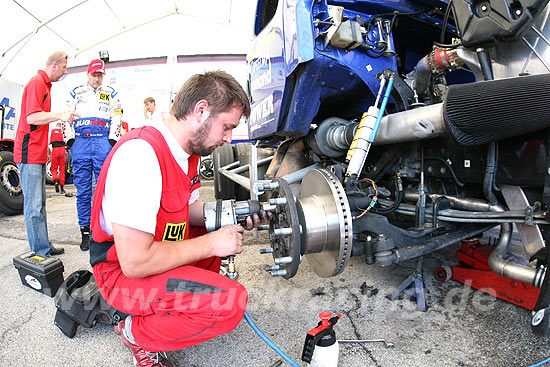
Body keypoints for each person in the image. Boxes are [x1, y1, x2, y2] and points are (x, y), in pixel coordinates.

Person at [90, 71, 262, 367]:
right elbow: (134, 262)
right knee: (229, 302)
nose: (229, 137)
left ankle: (163, 311)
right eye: (227, 126)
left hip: (151, 251)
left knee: (209, 234)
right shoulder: (140, 155)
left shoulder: (188, 153)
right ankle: (135, 333)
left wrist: (233, 212)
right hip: (120, 273)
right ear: (201, 110)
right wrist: (211, 244)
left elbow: (187, 212)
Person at [14, 50, 76, 257]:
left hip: (37, 151)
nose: (65, 72)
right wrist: (60, 115)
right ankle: (39, 252)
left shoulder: (46, 86)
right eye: (64, 67)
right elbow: (32, 117)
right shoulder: (36, 83)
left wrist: (46, 147)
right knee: (33, 206)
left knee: (40, 205)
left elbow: (36, 121)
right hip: (28, 153)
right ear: (54, 65)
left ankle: (43, 245)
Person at [63, 59, 123, 252]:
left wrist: (112, 139)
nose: (96, 78)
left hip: (102, 142)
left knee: (105, 189)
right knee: (83, 190)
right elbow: (66, 115)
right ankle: (85, 231)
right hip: (80, 141)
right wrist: (69, 140)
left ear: (103, 75)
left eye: (100, 75)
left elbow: (118, 115)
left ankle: (104, 229)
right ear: (87, 74)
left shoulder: (111, 93)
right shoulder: (76, 92)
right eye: (93, 75)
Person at [49, 122, 67, 194]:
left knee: (54, 168)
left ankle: (56, 180)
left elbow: (49, 141)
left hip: (55, 150)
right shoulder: (63, 132)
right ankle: (62, 188)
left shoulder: (53, 131)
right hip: (62, 151)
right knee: (62, 169)